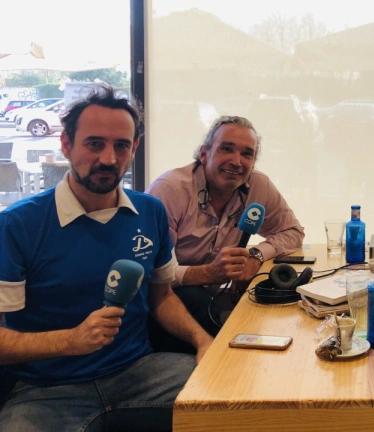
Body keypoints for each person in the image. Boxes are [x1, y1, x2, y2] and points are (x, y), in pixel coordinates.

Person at [0, 85, 213, 431]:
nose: (109, 159)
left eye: (121, 146)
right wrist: (70, 340)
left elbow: (162, 297)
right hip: (45, 390)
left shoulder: (150, 211)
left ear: (134, 148)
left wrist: (203, 341)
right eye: (94, 144)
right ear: (66, 144)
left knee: (242, 400)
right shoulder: (17, 225)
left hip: (141, 372)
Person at [146, 115, 304, 347]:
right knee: (194, 297)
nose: (236, 161)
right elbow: (150, 272)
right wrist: (207, 273)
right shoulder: (170, 190)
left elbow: (293, 232)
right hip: (163, 306)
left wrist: (255, 256)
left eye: (247, 154)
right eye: (226, 149)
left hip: (211, 300)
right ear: (204, 154)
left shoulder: (258, 185)